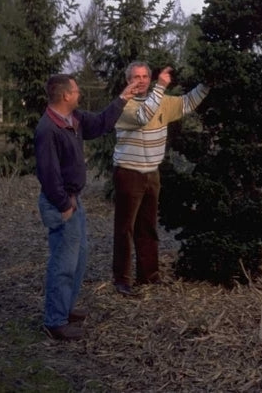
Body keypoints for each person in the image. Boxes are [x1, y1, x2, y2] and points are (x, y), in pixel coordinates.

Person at [35, 73, 139, 341]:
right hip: (62, 203)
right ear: (65, 95)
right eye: (76, 91)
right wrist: (63, 204)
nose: (79, 94)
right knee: (63, 263)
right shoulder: (48, 129)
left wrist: (122, 98)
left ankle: (65, 309)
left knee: (78, 259)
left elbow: (101, 124)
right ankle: (55, 322)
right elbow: (48, 174)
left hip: (73, 201)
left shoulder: (75, 119)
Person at [112, 61, 209, 296]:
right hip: (129, 172)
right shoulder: (123, 106)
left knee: (147, 226)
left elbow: (187, 103)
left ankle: (148, 275)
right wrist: (160, 87)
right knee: (125, 228)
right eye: (136, 77)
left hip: (152, 173)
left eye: (145, 76)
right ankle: (122, 279)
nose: (142, 80)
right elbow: (144, 116)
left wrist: (207, 84)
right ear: (128, 81)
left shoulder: (162, 101)